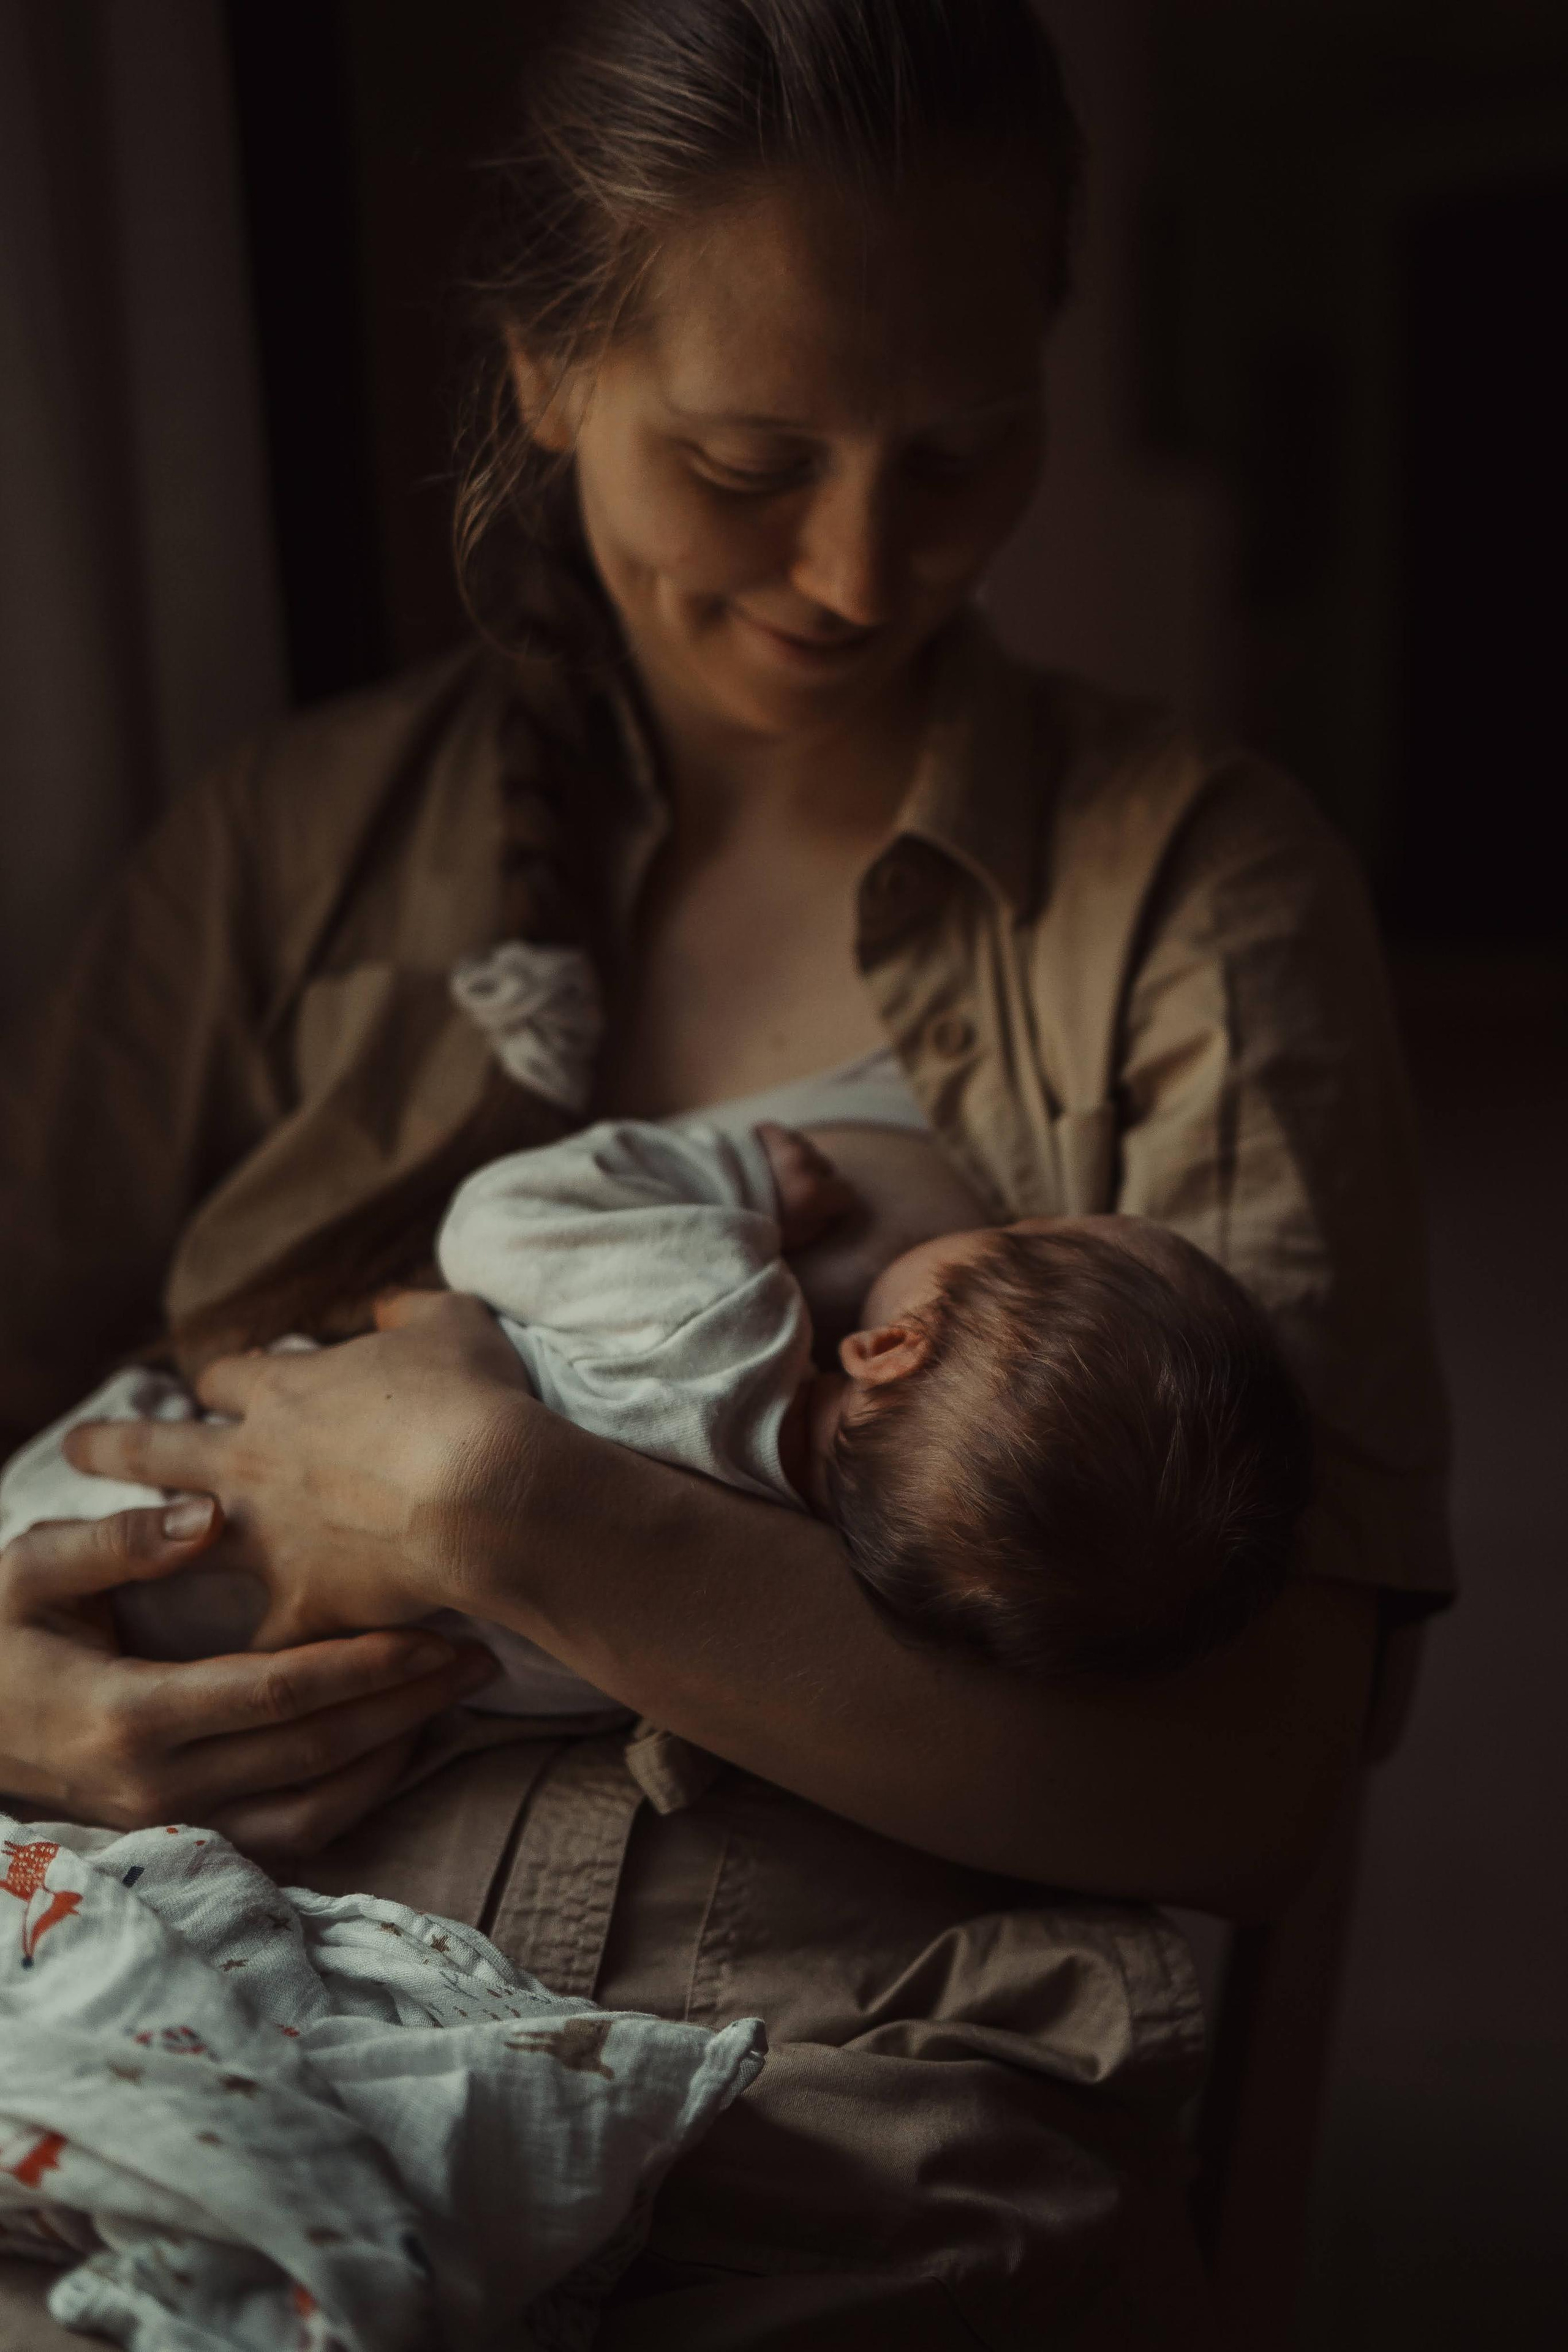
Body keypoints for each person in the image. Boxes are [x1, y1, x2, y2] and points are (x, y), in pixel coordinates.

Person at [0, 2, 1451, 2343]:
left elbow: (1252, 1774)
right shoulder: (283, 851)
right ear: (549, 379)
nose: (864, 570)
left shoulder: (1193, 892)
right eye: (752, 457)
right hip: (189, 1964)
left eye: (961, 452)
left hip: (845, 2046)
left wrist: (512, 1516)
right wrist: (11, 1705)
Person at [0, 1110, 1312, 1700]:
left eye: (1019, 1232)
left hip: (138, 1498)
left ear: (888, 1347)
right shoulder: (746, 1620)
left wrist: (733, 1171)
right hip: (233, 1681)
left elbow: (494, 1222)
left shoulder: (706, 1311)